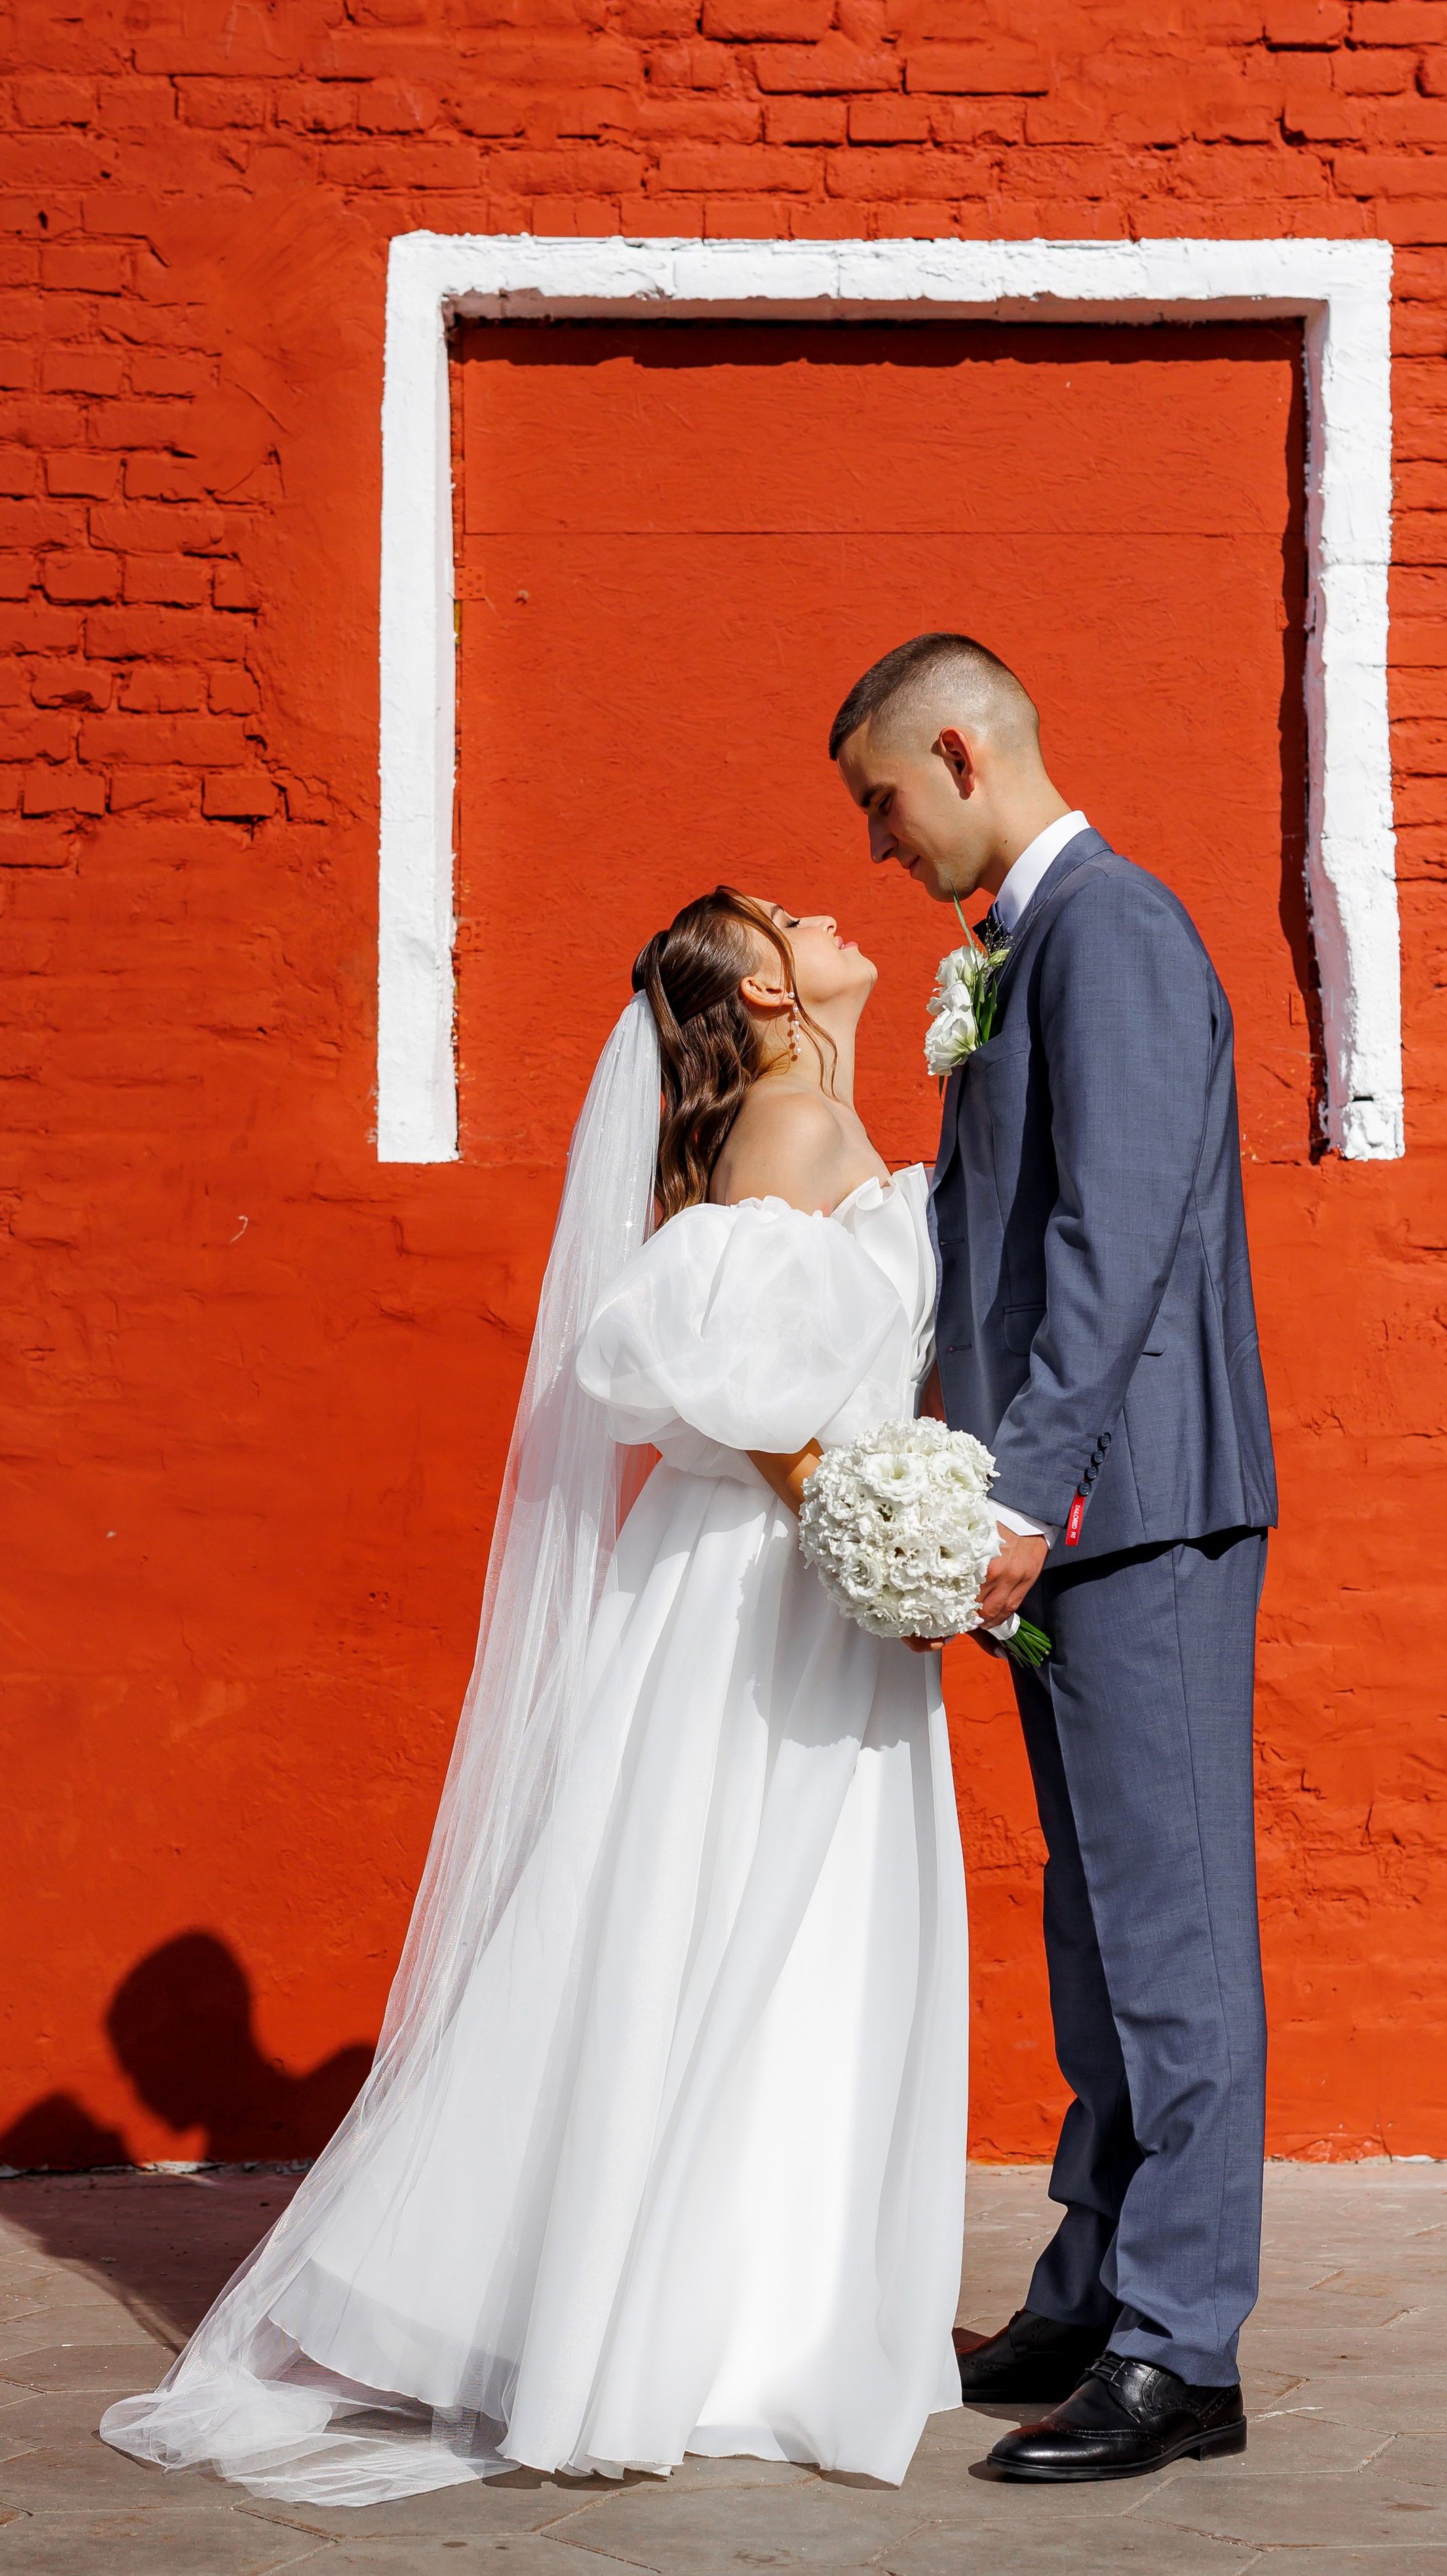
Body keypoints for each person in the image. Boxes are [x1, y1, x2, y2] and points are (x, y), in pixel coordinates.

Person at [101, 889, 967, 2503]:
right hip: (761, 1592)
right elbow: (740, 1387)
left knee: (744, 1932)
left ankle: (722, 2313)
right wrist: (879, 1537)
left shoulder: (807, 1110)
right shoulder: (788, 1124)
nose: (824, 906)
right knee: (736, 1923)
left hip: (776, 1580)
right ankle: (693, 2335)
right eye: (786, 916)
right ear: (768, 991)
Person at [833, 633, 1277, 2486]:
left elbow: (1113, 1245)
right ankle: (1094, 2281)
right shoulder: (1029, 948)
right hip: (1074, 1507)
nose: (876, 843)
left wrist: (1022, 1496)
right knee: (1093, 1929)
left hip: (1134, 1507)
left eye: (881, 799)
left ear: (960, 747)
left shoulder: (1117, 931)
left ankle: (1187, 2346)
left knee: (1170, 1938)